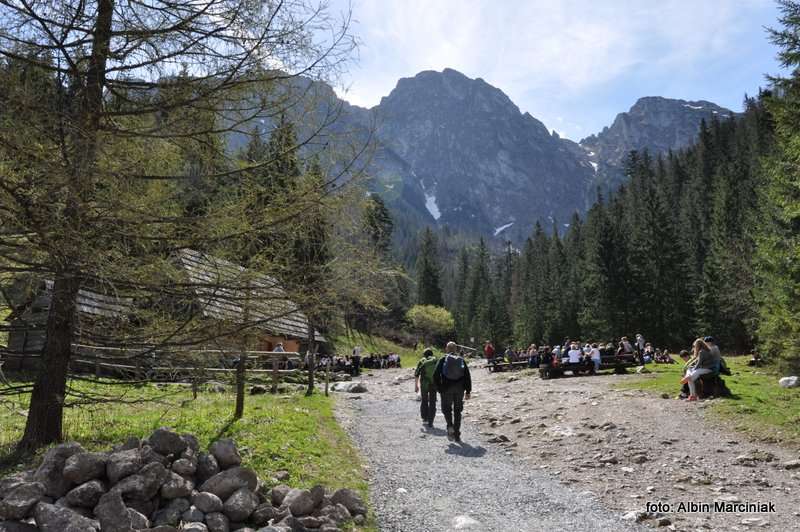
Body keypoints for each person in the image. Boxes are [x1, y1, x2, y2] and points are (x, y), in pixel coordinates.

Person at [434, 341, 472, 443]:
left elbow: (435, 375)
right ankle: (457, 434)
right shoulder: (461, 360)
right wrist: (468, 391)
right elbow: (467, 376)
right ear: (456, 349)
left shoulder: (443, 359)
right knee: (457, 411)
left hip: (446, 389)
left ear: (446, 349)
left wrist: (439, 388)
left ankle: (450, 426)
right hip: (459, 389)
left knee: (446, 409)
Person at [415, 348, 439, 428]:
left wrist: (416, 386)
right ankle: (431, 421)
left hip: (424, 384)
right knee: (432, 402)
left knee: (424, 401)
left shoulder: (422, 361)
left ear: (424, 354)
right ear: (432, 354)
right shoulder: (435, 361)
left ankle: (424, 418)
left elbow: (416, 374)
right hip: (434, 384)